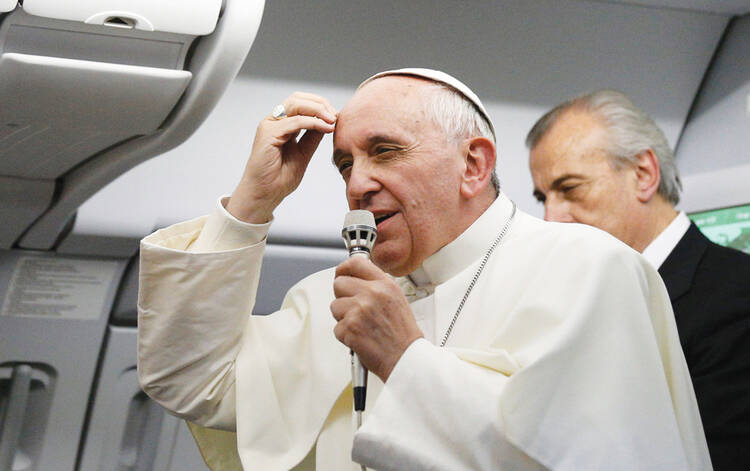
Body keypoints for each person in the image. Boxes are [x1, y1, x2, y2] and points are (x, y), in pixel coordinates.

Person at [138, 70, 711, 471]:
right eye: (344, 163)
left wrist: (405, 359)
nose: (357, 183)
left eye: (384, 151)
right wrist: (251, 204)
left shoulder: (588, 269)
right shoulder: (332, 297)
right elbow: (187, 378)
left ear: (473, 163)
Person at [526, 89, 750, 470]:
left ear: (644, 174)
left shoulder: (737, 298)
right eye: (542, 196)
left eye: (569, 188)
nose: (551, 218)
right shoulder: (578, 301)